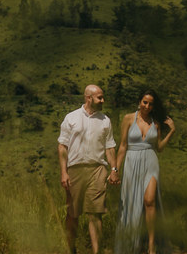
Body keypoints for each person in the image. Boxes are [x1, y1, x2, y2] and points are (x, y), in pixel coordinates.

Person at [58, 84, 119, 254]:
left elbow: (110, 148)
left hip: (97, 169)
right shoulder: (71, 118)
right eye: (99, 97)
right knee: (73, 214)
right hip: (75, 170)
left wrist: (114, 169)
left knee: (96, 213)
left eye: (102, 96)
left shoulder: (105, 120)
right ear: (88, 98)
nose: (103, 100)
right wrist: (64, 172)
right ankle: (70, 248)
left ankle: (97, 251)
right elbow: (62, 146)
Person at [114, 89, 176, 254]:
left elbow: (159, 148)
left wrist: (171, 131)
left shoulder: (155, 123)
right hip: (131, 162)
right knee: (131, 203)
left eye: (151, 103)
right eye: (145, 102)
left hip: (150, 161)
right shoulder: (128, 119)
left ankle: (151, 246)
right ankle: (131, 244)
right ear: (139, 102)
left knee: (149, 201)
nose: (147, 106)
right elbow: (122, 146)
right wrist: (115, 169)